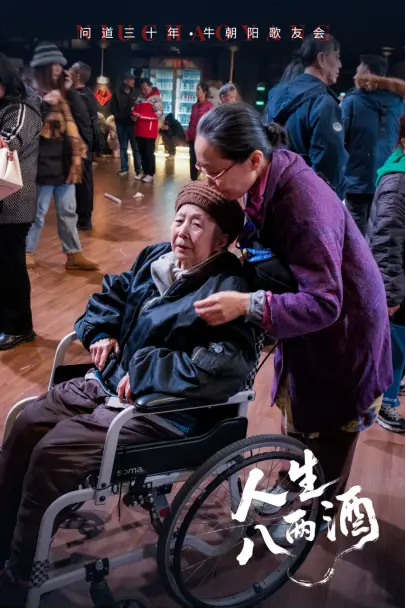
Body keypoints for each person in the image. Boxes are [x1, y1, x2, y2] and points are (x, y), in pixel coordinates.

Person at [0, 181, 256, 605]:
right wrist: (100, 331)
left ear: (222, 240)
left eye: (197, 224)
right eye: (179, 219)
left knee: (54, 451)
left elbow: (226, 363)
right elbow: (112, 294)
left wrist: (147, 372)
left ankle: (21, 573)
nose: (182, 231)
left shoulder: (226, 288)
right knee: (28, 423)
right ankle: (5, 537)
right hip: (108, 382)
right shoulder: (156, 257)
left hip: (165, 411)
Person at [193, 103, 392, 535]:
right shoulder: (267, 180)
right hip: (313, 331)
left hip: (345, 335)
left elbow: (325, 303)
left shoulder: (303, 203)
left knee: (331, 435)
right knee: (299, 418)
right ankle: (292, 482)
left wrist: (247, 305)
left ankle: (316, 518)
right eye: (200, 169)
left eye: (214, 172)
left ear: (253, 159)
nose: (208, 181)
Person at [25, 42, 98, 271]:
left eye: (60, 64)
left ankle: (73, 254)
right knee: (37, 213)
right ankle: (27, 252)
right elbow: (31, 127)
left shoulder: (63, 94)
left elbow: (82, 116)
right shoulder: (31, 93)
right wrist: (47, 104)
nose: (58, 68)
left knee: (68, 211)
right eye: (53, 64)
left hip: (66, 164)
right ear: (43, 68)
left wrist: (69, 90)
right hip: (42, 164)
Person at [266, 35, 348, 200]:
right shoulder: (323, 103)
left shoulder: (276, 95)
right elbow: (328, 164)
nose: (340, 64)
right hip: (307, 199)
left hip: (274, 192)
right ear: (322, 59)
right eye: (337, 57)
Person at [0, 54, 42, 351]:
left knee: (11, 267)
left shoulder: (24, 107)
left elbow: (8, 143)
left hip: (13, 203)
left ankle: (20, 327)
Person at [367, 114, 406, 434]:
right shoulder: (398, 183)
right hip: (398, 283)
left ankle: (393, 386)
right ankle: (385, 402)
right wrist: (391, 293)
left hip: (401, 278)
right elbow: (386, 241)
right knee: (396, 341)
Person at [342, 55, 406, 236]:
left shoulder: (352, 101)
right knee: (382, 233)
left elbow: (339, 140)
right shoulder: (400, 104)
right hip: (389, 180)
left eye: (358, 70)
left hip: (356, 180)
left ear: (367, 72)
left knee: (354, 236)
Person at [70, 61, 103, 231]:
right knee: (82, 180)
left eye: (71, 70)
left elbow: (83, 124)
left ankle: (83, 219)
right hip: (83, 143)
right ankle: (80, 217)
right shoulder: (87, 94)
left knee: (83, 181)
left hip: (81, 144)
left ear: (76, 75)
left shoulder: (79, 96)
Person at [110, 72, 142, 178]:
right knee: (123, 147)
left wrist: (136, 116)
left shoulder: (137, 92)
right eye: (131, 79)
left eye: (133, 79)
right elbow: (113, 109)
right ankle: (124, 168)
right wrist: (121, 117)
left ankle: (138, 170)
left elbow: (140, 107)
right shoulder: (117, 93)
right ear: (125, 81)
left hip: (133, 125)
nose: (133, 81)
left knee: (135, 147)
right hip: (121, 124)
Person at [132, 78, 163, 183]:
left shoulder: (156, 98)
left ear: (150, 86)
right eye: (142, 88)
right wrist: (134, 115)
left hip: (149, 131)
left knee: (149, 153)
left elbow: (158, 114)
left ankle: (150, 173)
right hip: (139, 129)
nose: (143, 90)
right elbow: (134, 109)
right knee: (141, 153)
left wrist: (142, 116)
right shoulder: (140, 97)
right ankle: (144, 171)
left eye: (145, 88)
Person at [186, 82, 213, 181]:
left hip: (203, 139)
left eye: (198, 89)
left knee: (202, 159)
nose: (196, 92)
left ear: (204, 92)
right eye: (196, 89)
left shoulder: (210, 106)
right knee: (192, 159)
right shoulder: (194, 106)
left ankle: (202, 180)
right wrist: (188, 134)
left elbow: (210, 124)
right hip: (192, 137)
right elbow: (191, 121)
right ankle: (193, 180)